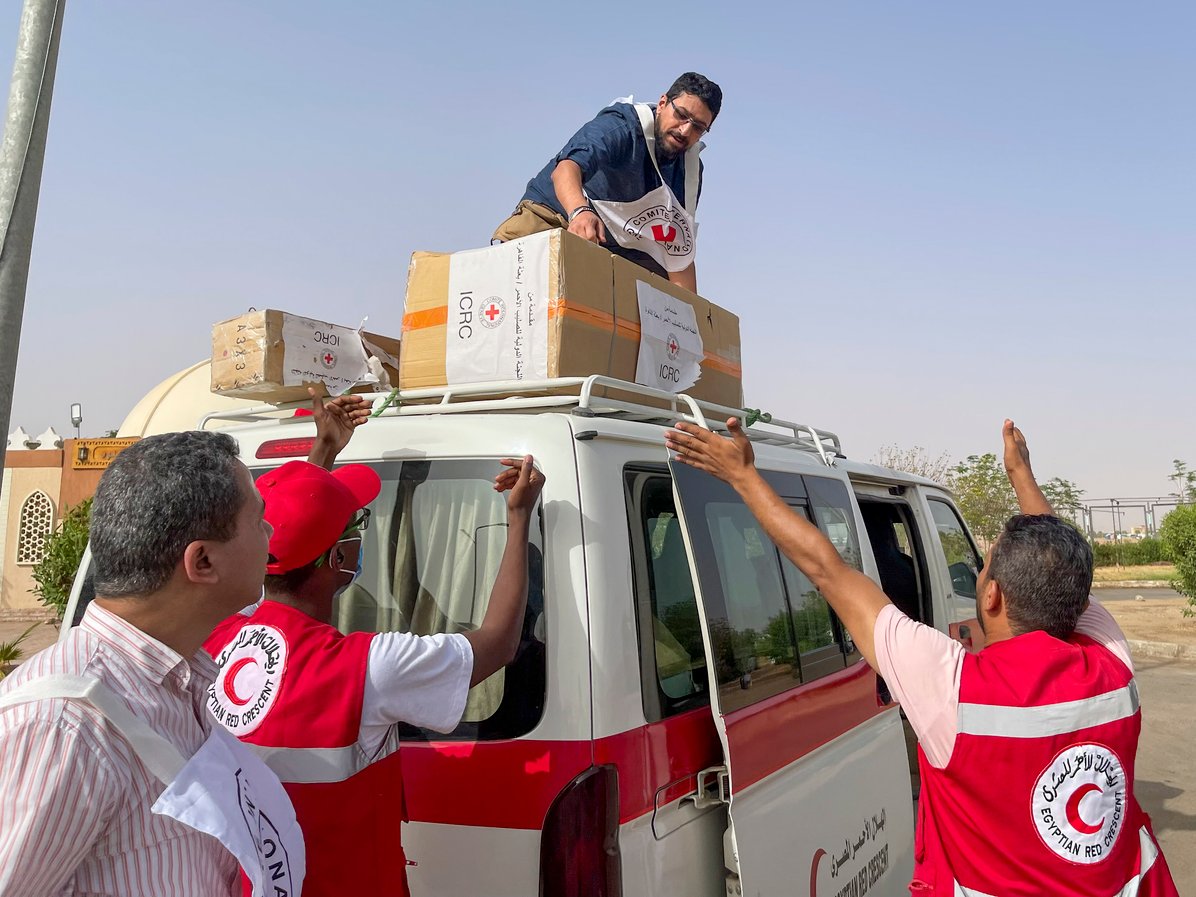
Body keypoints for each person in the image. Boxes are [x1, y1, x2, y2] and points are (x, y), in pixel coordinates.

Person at [664, 418, 1179, 896]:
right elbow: (1062, 570)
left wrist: (744, 476)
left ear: (993, 596)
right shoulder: (1112, 665)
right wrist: (1022, 475)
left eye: (984, 568)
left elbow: (828, 570)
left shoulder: (953, 691)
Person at [204, 391, 546, 897]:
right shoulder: (367, 666)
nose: (361, 535)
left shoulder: (217, 635)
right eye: (357, 526)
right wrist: (518, 520)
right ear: (337, 559)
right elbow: (495, 644)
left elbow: (285, 540)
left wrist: (323, 451)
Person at [0, 431, 301, 897]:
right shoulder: (65, 726)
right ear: (202, 560)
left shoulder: (175, 682)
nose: (270, 534)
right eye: (258, 519)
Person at [493, 72, 723, 294]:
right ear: (663, 103)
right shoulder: (621, 125)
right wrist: (579, 211)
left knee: (661, 300)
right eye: (681, 115)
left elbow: (677, 251)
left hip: (614, 249)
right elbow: (565, 170)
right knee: (520, 296)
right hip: (556, 218)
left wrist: (691, 320)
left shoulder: (690, 172)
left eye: (698, 127)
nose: (685, 130)